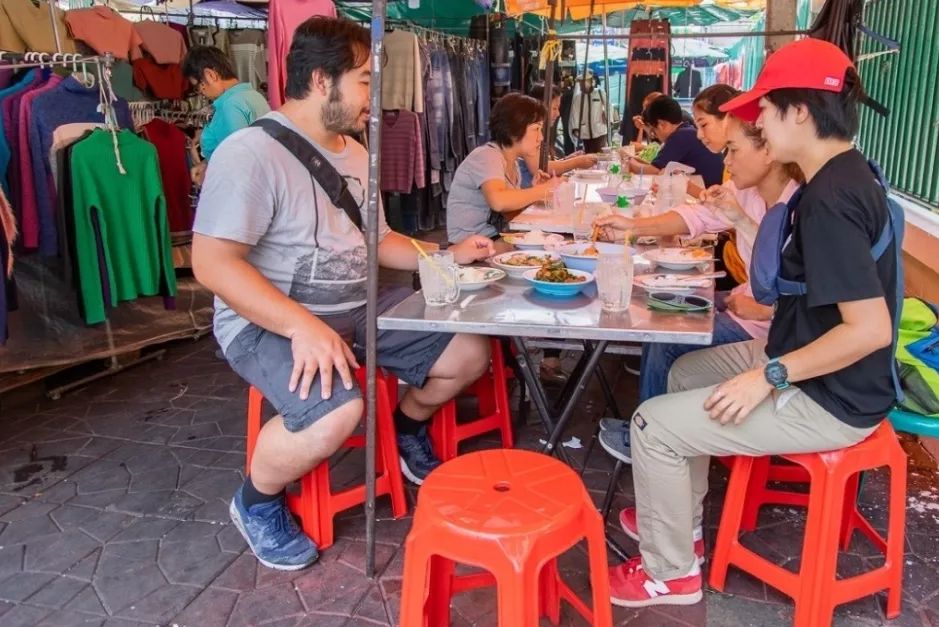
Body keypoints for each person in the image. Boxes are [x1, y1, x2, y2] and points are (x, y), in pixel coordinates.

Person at [603, 38, 899, 608]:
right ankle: (679, 528)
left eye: (765, 109)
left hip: (831, 396)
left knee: (651, 424)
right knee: (686, 372)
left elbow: (869, 330)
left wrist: (770, 375)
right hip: (803, 363)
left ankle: (672, 574)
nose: (757, 119)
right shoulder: (837, 177)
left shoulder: (831, 200)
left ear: (800, 112)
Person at [191, 16, 496, 571]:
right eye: (363, 81)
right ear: (319, 81)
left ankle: (406, 428)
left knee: (469, 352)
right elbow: (212, 264)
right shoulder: (249, 153)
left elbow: (381, 242)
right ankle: (256, 501)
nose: (373, 101)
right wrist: (300, 325)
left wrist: (447, 255)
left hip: (358, 309)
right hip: (269, 322)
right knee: (337, 414)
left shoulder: (356, 154)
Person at [593, 114, 801, 444]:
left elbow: (799, 281)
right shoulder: (745, 190)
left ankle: (647, 439)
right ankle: (651, 423)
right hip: (748, 305)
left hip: (771, 327)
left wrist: (765, 310)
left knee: (667, 337)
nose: (726, 162)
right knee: (660, 309)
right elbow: (694, 216)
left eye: (733, 150)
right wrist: (630, 226)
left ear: (768, 152)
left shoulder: (799, 204)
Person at [446, 93, 560, 251]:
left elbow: (511, 215)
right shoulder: (487, 156)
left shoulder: (512, 164)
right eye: (536, 129)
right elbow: (498, 201)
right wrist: (540, 191)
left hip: (493, 240)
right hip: (469, 249)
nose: (540, 137)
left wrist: (532, 195)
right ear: (514, 130)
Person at [183, 46, 270, 185]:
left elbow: (237, 162)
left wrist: (208, 174)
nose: (200, 92)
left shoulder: (230, 106)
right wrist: (206, 164)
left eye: (197, 86)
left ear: (210, 75)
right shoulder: (253, 96)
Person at [622, 95, 724, 187]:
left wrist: (628, 160)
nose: (655, 136)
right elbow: (657, 166)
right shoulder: (686, 131)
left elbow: (654, 170)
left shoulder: (680, 136)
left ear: (662, 124)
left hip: (706, 191)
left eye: (654, 131)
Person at [519, 83, 598, 188]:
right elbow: (538, 167)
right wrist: (576, 162)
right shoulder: (527, 132)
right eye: (554, 108)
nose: (558, 114)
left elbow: (542, 163)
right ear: (541, 106)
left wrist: (567, 159)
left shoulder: (543, 132)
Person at [569, 73, 608, 153]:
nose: (581, 85)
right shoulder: (578, 98)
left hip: (600, 130)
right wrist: (575, 128)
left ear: (590, 82)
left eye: (583, 82)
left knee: (601, 155)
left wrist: (608, 119)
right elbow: (575, 113)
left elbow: (608, 107)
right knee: (589, 155)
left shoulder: (600, 93)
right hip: (585, 132)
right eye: (580, 83)